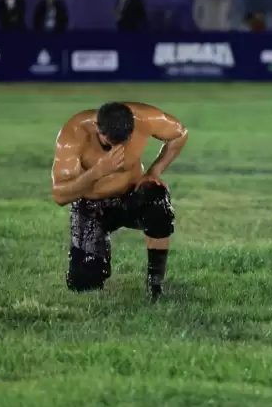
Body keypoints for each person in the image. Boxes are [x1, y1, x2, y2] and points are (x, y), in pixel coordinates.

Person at [50, 102, 188, 300]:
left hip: (130, 195)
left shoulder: (145, 119)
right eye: (110, 143)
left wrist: (154, 171)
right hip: (92, 205)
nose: (118, 149)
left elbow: (180, 133)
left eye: (123, 142)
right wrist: (97, 171)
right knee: (83, 283)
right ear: (98, 128)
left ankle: (155, 283)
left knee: (158, 200)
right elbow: (59, 195)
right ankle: (94, 264)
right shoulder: (74, 134)